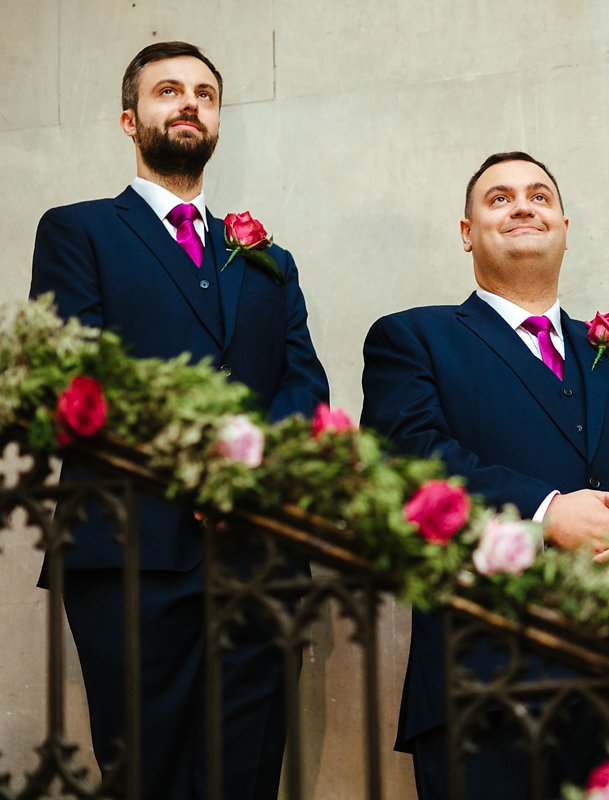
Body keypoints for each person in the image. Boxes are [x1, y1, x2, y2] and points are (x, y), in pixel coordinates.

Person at [361, 151, 609, 799]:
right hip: (483, 690)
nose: (523, 205)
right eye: (498, 198)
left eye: (539, 195)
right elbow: (407, 462)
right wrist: (546, 512)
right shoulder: (413, 339)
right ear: (467, 232)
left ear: (563, 222)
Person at [29, 41, 329, 800]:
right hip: (132, 550)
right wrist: (195, 464)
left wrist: (249, 467)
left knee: (249, 775)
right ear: (131, 120)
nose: (189, 102)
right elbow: (78, 375)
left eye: (204, 92)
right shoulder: (78, 232)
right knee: (147, 775)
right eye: (168, 91)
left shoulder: (269, 259)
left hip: (257, 554)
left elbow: (305, 384)